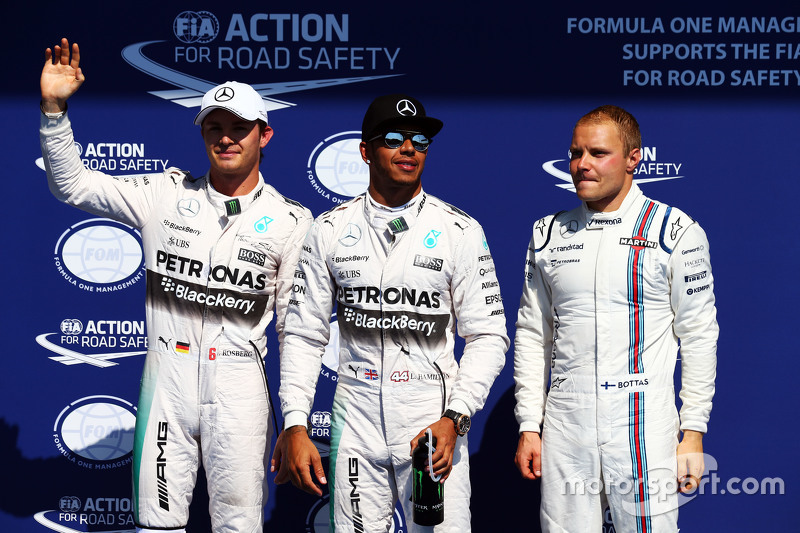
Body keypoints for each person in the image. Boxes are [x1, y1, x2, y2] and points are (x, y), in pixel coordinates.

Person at [40, 38, 312, 533]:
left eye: (239, 129)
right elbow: (72, 184)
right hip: (167, 383)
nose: (226, 138)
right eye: (215, 127)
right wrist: (55, 111)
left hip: (240, 392)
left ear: (264, 136)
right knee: (155, 525)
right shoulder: (163, 194)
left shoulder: (293, 221)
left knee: (239, 526)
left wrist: (294, 420)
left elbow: (295, 332)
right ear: (203, 133)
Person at [271, 94, 509, 531]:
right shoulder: (329, 229)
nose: (409, 149)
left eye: (420, 140)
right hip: (355, 423)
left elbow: (489, 337)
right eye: (394, 138)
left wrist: (455, 418)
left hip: (430, 427)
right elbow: (303, 335)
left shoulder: (459, 230)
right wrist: (295, 423)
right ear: (365, 151)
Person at [513, 105, 718, 532]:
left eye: (597, 153)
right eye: (575, 153)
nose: (582, 164)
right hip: (566, 430)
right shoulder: (547, 234)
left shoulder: (674, 230)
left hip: (644, 428)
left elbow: (699, 333)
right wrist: (529, 424)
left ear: (633, 158)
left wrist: (693, 431)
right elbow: (533, 334)